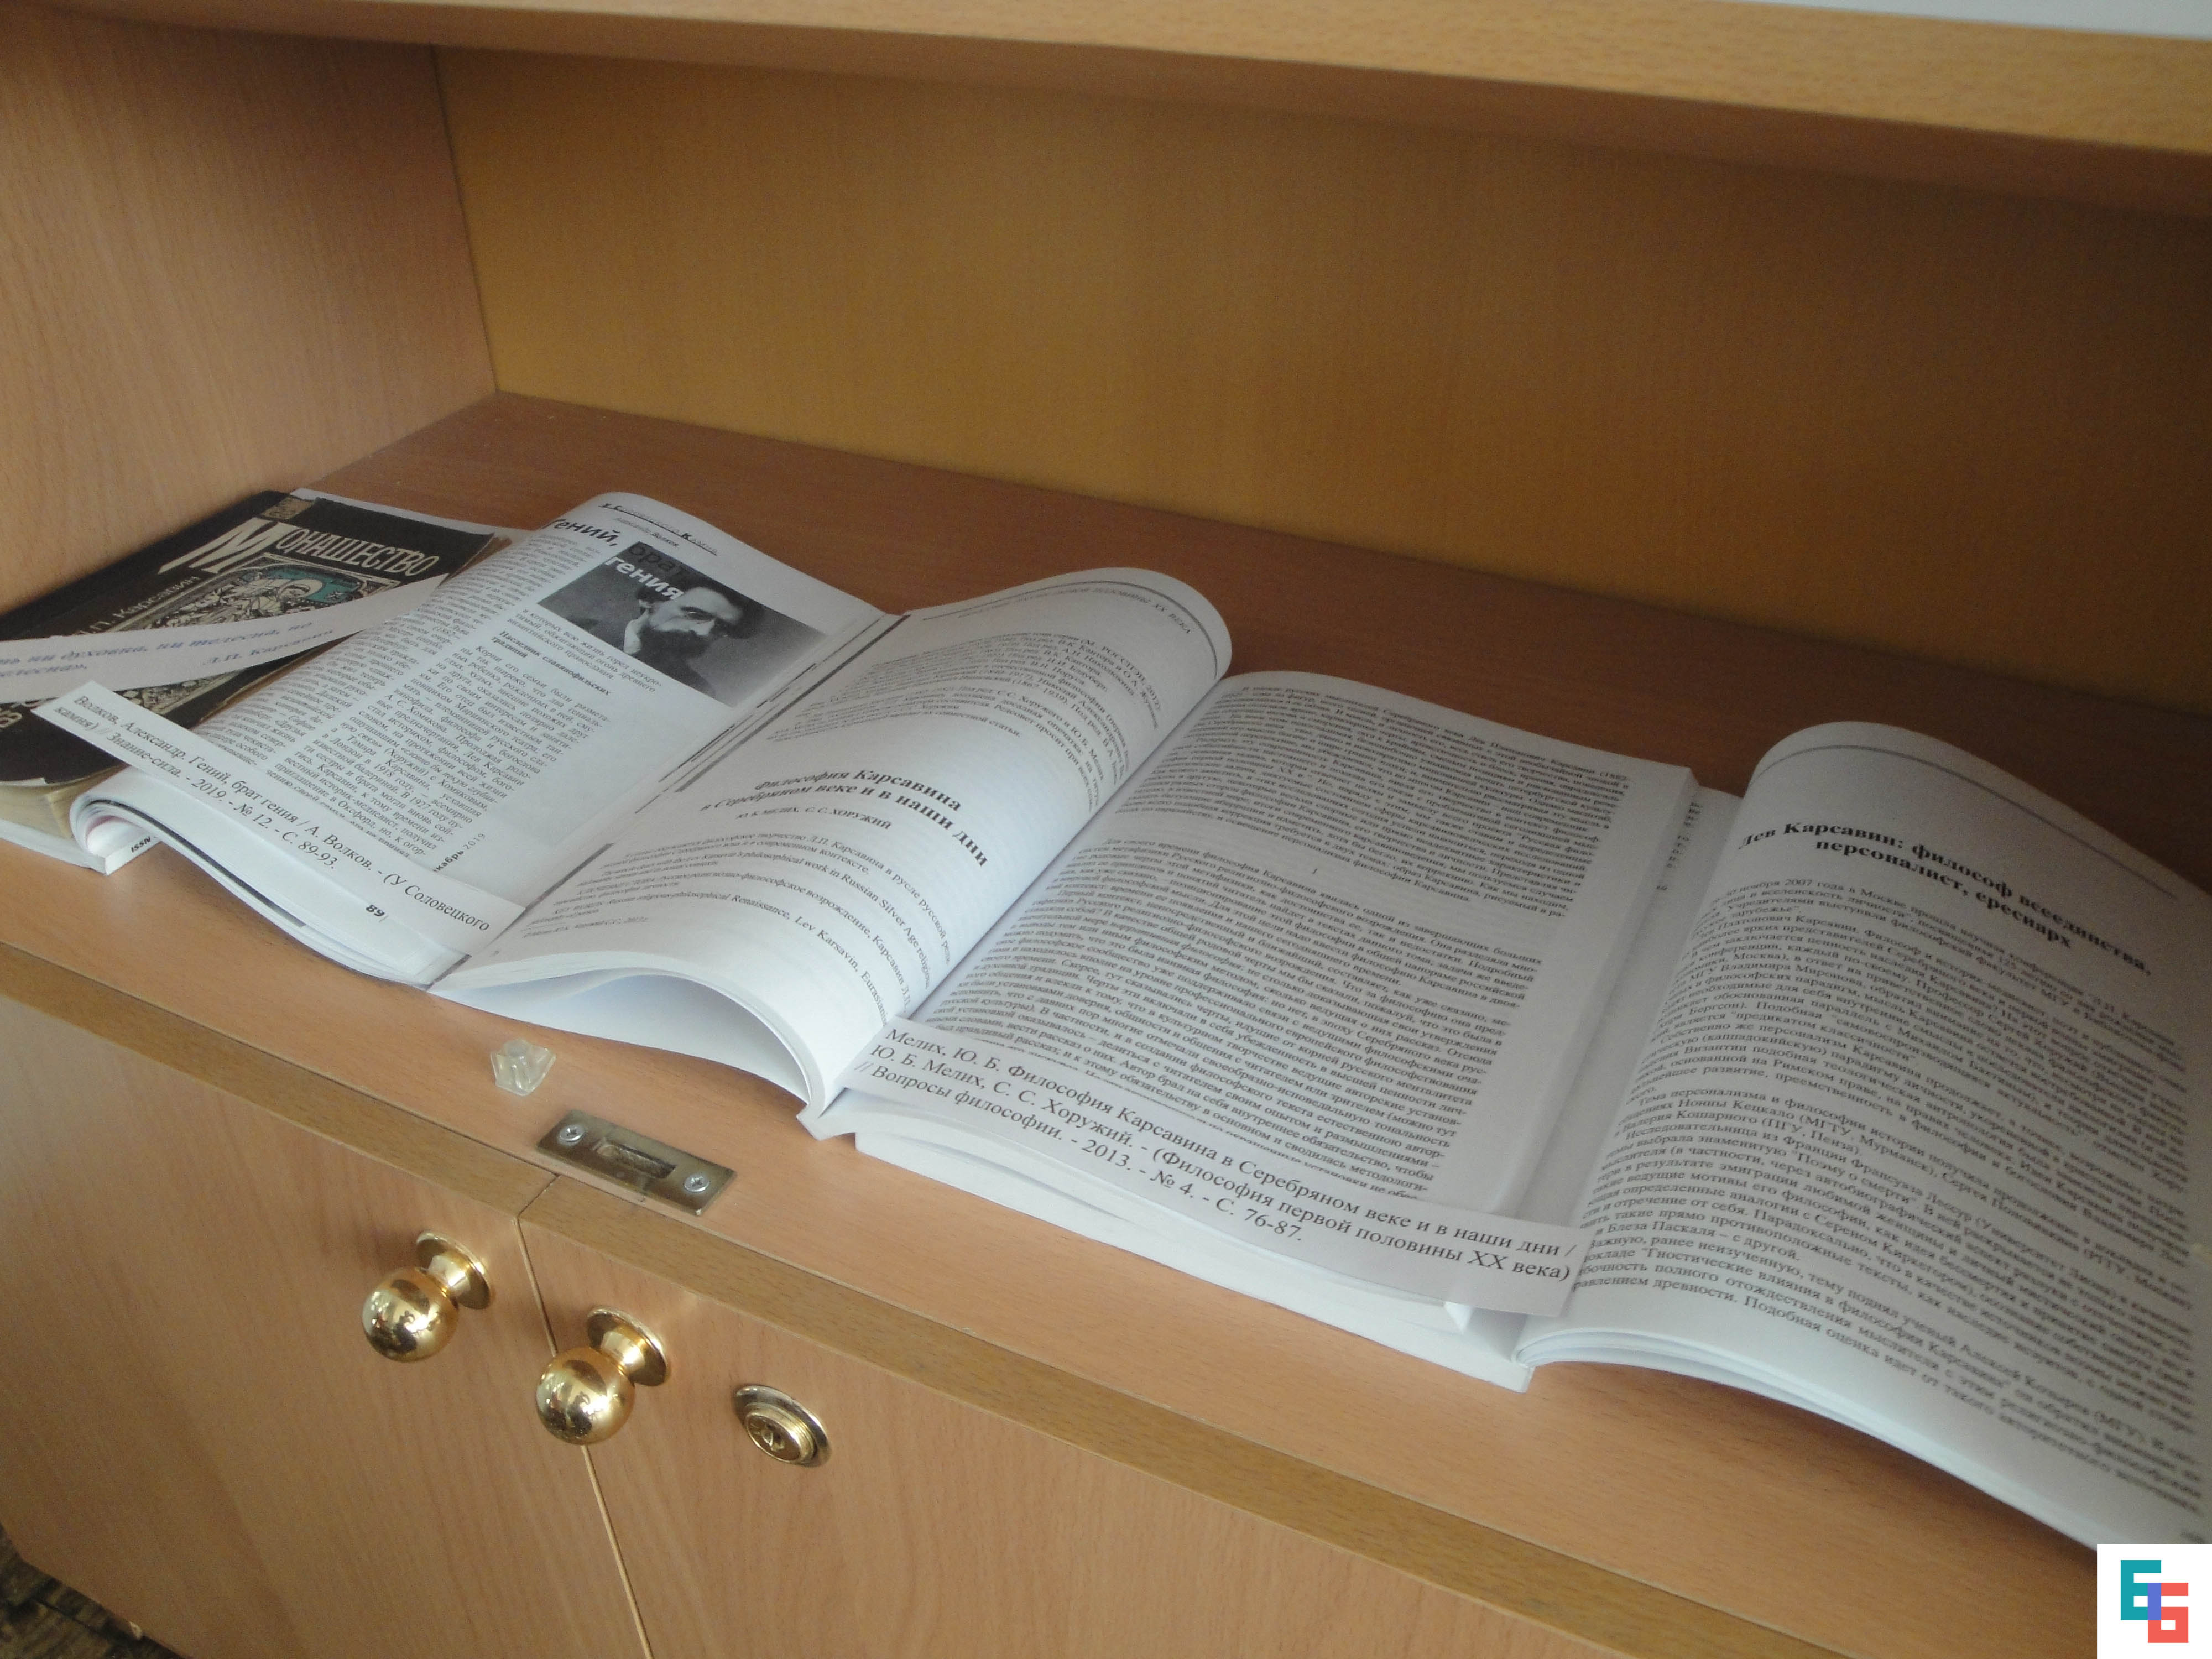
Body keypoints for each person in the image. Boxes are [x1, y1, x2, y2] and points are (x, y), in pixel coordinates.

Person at [599, 580, 760, 694]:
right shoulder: (588, 630)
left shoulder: (697, 690)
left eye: (721, 627)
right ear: (649, 600)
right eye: (695, 615)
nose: (704, 632)